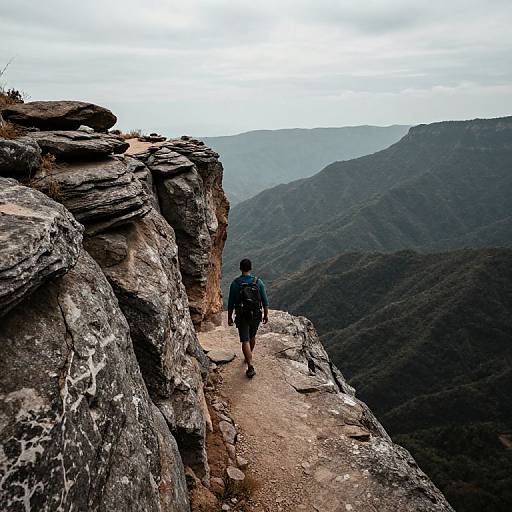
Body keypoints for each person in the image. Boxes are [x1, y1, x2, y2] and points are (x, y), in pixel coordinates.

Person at [227, 258, 269, 378]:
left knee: (245, 339)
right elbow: (265, 301)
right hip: (256, 315)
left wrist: (229, 317)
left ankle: (250, 365)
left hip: (242, 315)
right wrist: (265, 315)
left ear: (240, 268)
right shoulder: (258, 282)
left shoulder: (235, 283)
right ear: (250, 268)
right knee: (252, 336)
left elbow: (231, 303)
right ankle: (248, 356)